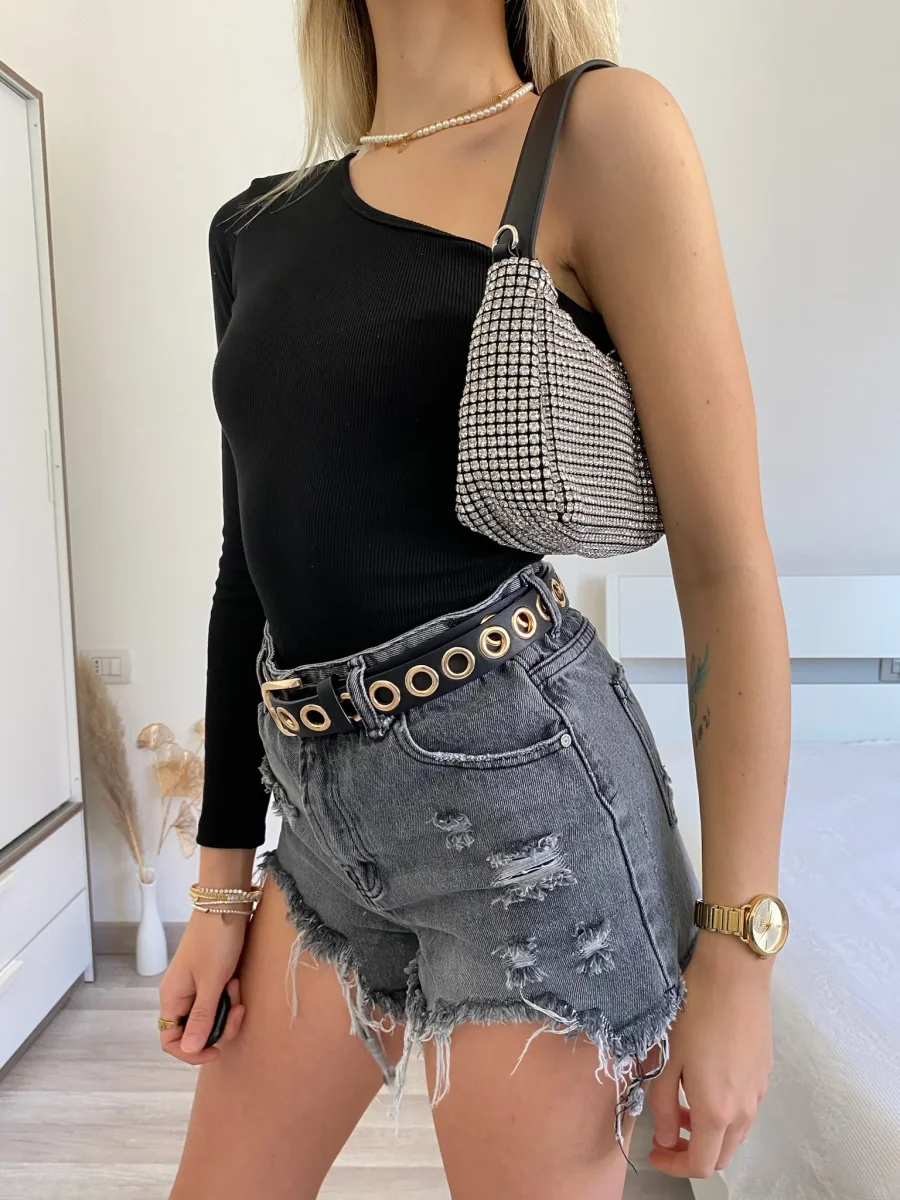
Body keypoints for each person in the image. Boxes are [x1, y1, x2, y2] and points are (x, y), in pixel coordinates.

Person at [159, 2, 791, 1196]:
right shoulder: (253, 228)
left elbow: (724, 559)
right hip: (322, 820)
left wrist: (741, 949)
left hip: (529, 811)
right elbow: (248, 571)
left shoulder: (597, 132)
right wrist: (221, 885)